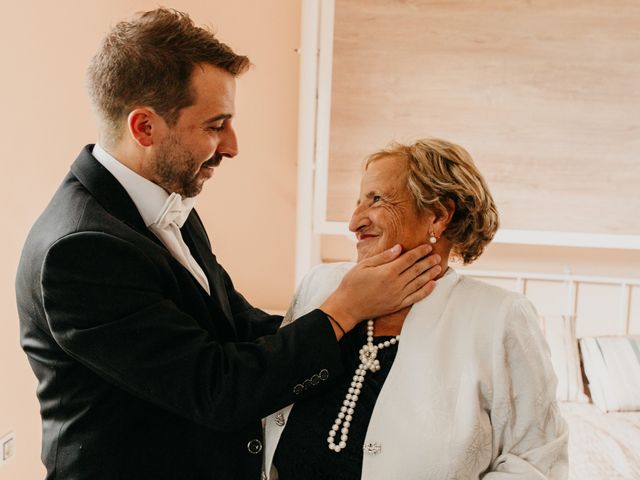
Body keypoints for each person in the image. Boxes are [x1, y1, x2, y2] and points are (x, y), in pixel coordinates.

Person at [14, 9, 442, 480]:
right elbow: (218, 389)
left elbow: (236, 324)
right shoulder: (79, 251)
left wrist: (380, 334)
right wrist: (342, 310)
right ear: (144, 128)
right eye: (216, 126)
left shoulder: (164, 204)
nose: (233, 146)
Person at [264, 139, 569, 479]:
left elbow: (536, 461)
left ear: (438, 215)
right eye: (358, 201)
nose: (354, 222)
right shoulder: (319, 286)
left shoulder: (499, 317)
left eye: (376, 199)